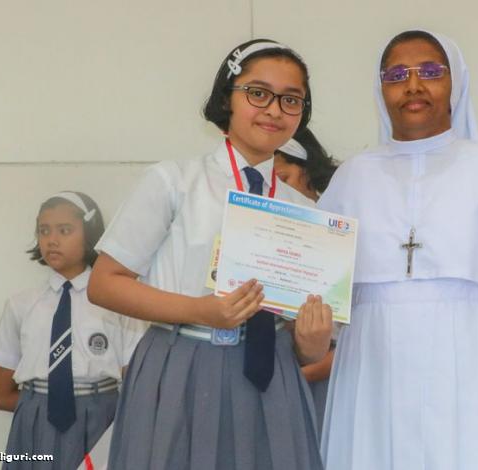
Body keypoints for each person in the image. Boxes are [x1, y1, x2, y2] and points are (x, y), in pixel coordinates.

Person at [317, 30, 478, 470]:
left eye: (430, 71)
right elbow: (320, 290)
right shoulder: (353, 176)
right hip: (372, 369)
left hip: (470, 361)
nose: (413, 85)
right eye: (396, 75)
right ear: (380, 88)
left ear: (455, 82)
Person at [87, 39, 332, 470]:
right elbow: (104, 284)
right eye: (258, 93)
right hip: (182, 363)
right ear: (226, 99)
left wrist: (310, 342)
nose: (274, 110)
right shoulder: (175, 181)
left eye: (291, 99)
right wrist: (200, 311)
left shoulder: (305, 211)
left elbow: (305, 344)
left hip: (273, 374)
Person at [0, 191, 144, 470]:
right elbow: (2, 395)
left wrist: (94, 411)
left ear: (90, 234)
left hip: (100, 420)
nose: (52, 240)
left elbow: (137, 385)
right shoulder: (21, 305)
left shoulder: (117, 304)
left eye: (64, 230)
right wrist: (38, 410)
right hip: (34, 423)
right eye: (44, 230)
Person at [275, 128, 339, 436]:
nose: (278, 191)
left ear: (308, 170)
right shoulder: (263, 229)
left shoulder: (340, 227)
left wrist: (297, 374)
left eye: (283, 179)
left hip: (326, 379)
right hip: (274, 369)